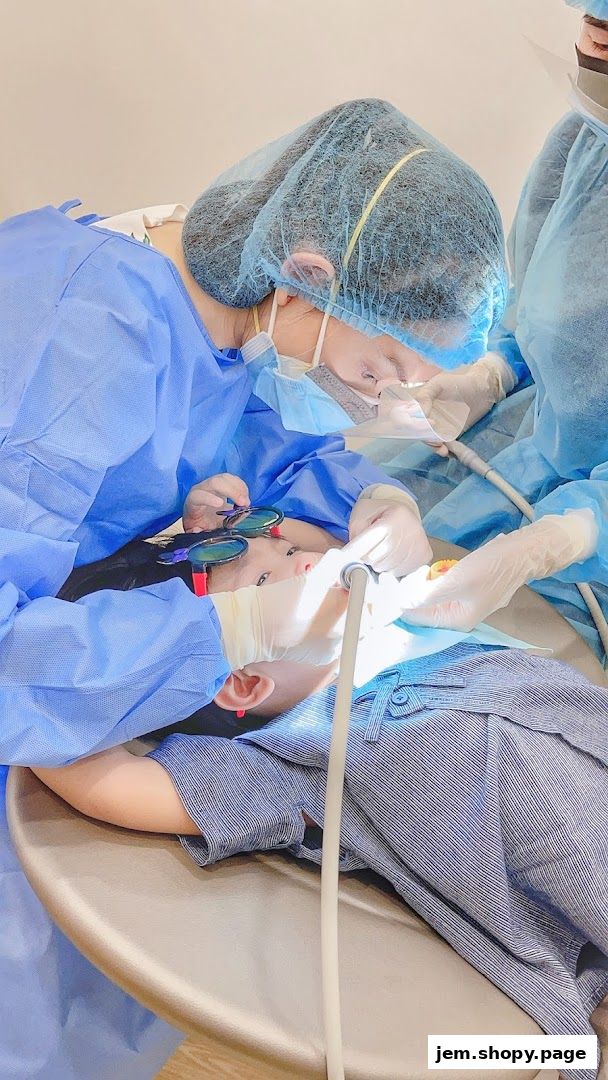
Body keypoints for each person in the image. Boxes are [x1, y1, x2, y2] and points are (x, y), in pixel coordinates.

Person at [0, 98, 508, 1079]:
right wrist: (238, 627)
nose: (378, 398)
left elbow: (270, 451)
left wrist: (377, 502)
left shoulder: (227, 323)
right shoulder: (77, 345)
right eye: (381, 366)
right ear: (307, 281)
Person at [32, 641, 608, 1080]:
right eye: (279, 567)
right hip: (573, 967)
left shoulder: (427, 644)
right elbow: (111, 786)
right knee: (519, 1051)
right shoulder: (298, 760)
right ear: (243, 681)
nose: (318, 564)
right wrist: (26, 680)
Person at [381, 6, 608, 659]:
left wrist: (569, 537)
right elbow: (537, 304)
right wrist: (493, 372)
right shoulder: (584, 141)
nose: (593, 25)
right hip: (524, 443)